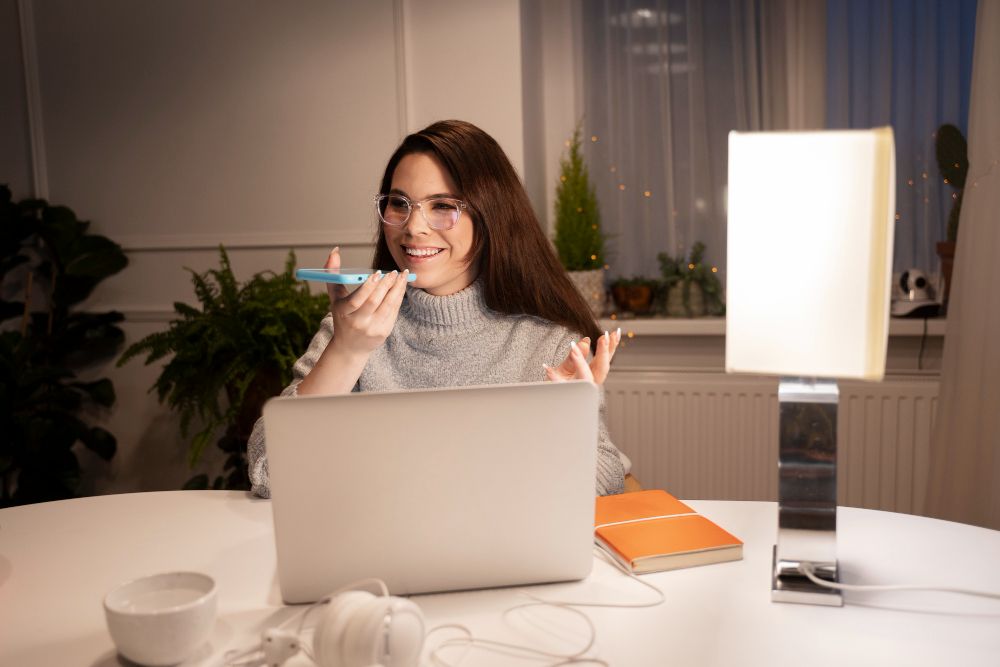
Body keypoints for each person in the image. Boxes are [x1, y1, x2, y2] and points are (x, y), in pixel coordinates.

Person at [247, 119, 627, 497]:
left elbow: (605, 479)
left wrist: (559, 424)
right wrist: (347, 351)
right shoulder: (354, 327)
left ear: (491, 216)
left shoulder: (550, 344)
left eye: (443, 206)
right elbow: (269, 473)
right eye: (399, 204)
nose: (413, 227)